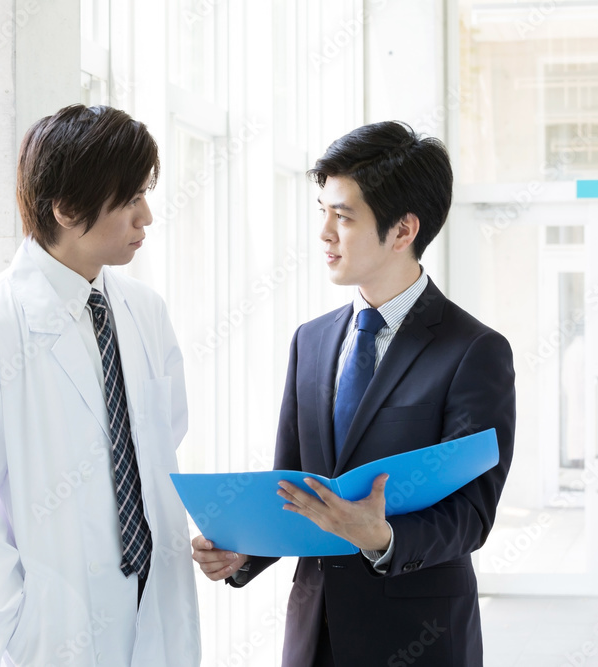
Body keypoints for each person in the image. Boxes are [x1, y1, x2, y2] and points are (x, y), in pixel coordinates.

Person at [191, 121, 515, 666]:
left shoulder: (473, 351)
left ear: (403, 230)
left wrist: (381, 536)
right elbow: (292, 486)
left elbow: (471, 515)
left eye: (342, 216)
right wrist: (243, 548)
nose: (324, 233)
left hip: (419, 636)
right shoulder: (312, 341)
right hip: (315, 633)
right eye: (323, 211)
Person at [0, 104, 200, 666]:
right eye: (131, 199)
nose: (147, 217)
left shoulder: (145, 311)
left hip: (154, 604)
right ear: (68, 208)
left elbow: (163, 441)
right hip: (52, 634)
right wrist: (14, 631)